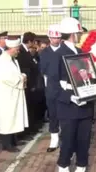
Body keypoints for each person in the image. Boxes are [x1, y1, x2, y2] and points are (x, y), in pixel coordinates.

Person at [47, 17, 95, 172]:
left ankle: (81, 169)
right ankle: (64, 167)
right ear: (73, 34)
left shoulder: (80, 52)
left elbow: (87, 76)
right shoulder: (57, 54)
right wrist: (70, 97)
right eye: (79, 33)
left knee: (84, 140)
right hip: (68, 107)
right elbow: (53, 85)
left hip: (86, 105)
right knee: (67, 140)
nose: (81, 35)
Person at [0, 37, 29, 152]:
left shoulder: (12, 59)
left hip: (13, 94)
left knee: (14, 117)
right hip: (6, 95)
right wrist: (22, 77)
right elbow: (8, 77)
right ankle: (7, 144)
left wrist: (21, 76)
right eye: (17, 49)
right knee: (7, 119)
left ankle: (14, 140)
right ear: (12, 48)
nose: (18, 51)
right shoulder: (3, 60)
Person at [39, 24, 62, 152]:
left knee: (64, 113)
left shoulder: (64, 50)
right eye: (53, 38)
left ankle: (64, 135)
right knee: (53, 114)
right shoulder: (44, 53)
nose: (56, 40)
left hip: (64, 87)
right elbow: (43, 71)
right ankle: (54, 139)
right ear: (49, 38)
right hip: (51, 87)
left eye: (58, 37)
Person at [17, 32, 43, 134]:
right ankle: (26, 131)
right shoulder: (21, 51)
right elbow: (25, 68)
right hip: (26, 84)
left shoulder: (27, 52)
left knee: (31, 107)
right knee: (27, 107)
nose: (34, 43)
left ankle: (31, 128)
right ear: (29, 41)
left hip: (31, 83)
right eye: (33, 41)